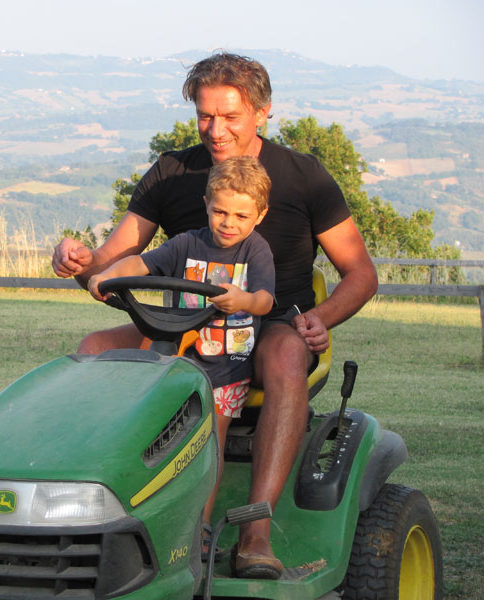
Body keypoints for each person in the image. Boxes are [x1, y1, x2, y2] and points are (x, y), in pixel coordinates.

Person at [52, 52, 378, 580]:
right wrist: (78, 261)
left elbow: (361, 272)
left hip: (268, 322)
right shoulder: (172, 171)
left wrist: (321, 317)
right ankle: (90, 512)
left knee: (288, 354)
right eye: (205, 116)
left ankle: (255, 532)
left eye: (230, 116)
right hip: (181, 323)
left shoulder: (302, 176)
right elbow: (112, 258)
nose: (215, 129)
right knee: (93, 349)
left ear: (263, 112)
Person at [88, 156, 275, 561]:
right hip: (178, 362)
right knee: (155, 436)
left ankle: (200, 530)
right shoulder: (187, 243)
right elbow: (141, 262)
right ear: (206, 203)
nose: (228, 222)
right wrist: (106, 275)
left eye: (241, 215)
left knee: (209, 440)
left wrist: (241, 299)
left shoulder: (255, 250)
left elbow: (263, 299)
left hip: (228, 367)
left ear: (259, 215)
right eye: (220, 211)